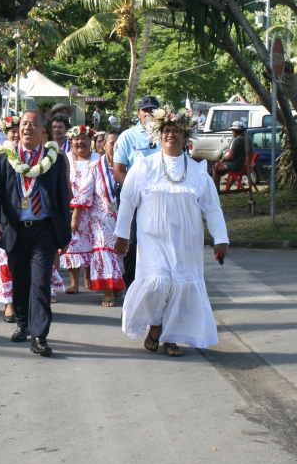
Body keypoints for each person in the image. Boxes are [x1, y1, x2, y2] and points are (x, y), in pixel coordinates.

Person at [114, 107, 229, 356]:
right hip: (152, 240)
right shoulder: (144, 167)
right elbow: (128, 201)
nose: (171, 135)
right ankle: (156, 324)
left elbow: (212, 208)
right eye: (167, 130)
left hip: (187, 242)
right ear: (158, 134)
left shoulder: (198, 171)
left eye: (177, 131)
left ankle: (170, 337)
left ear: (185, 136)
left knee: (180, 287)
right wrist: (122, 236)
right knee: (158, 284)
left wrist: (221, 239)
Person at [0, 109, 72, 357]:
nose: (27, 128)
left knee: (41, 283)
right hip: (15, 230)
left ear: (43, 131)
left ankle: (40, 335)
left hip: (44, 229)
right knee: (21, 281)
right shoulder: (4, 157)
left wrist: (64, 235)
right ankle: (22, 323)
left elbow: (62, 197)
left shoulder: (54, 158)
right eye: (24, 123)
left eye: (33, 124)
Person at [112, 95, 161, 288]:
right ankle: (130, 283)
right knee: (131, 243)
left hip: (160, 198)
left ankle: (157, 282)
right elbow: (118, 172)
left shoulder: (166, 134)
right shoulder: (128, 136)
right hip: (134, 198)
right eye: (145, 110)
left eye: (153, 110)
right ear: (139, 113)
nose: (149, 114)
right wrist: (137, 192)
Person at [85, 130, 125, 306]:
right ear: (103, 145)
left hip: (123, 218)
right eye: (112, 143)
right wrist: (75, 217)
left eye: (119, 144)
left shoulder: (128, 168)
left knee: (120, 254)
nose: (116, 147)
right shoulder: (94, 168)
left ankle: (117, 285)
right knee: (103, 252)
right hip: (100, 219)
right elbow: (84, 193)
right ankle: (108, 289)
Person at [62, 126, 99, 293]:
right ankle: (74, 282)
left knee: (92, 243)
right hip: (71, 208)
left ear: (90, 141)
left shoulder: (98, 159)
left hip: (93, 209)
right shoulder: (66, 158)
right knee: (73, 244)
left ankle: (88, 277)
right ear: (71, 141)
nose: (80, 142)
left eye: (84, 138)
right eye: (76, 139)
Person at [212, 121, 250, 190]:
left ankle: (216, 190)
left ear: (235, 131)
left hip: (237, 166)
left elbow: (232, 156)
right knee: (231, 169)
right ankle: (227, 187)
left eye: (232, 131)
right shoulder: (249, 139)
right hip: (246, 165)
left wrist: (224, 159)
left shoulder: (238, 140)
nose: (232, 133)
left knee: (216, 166)